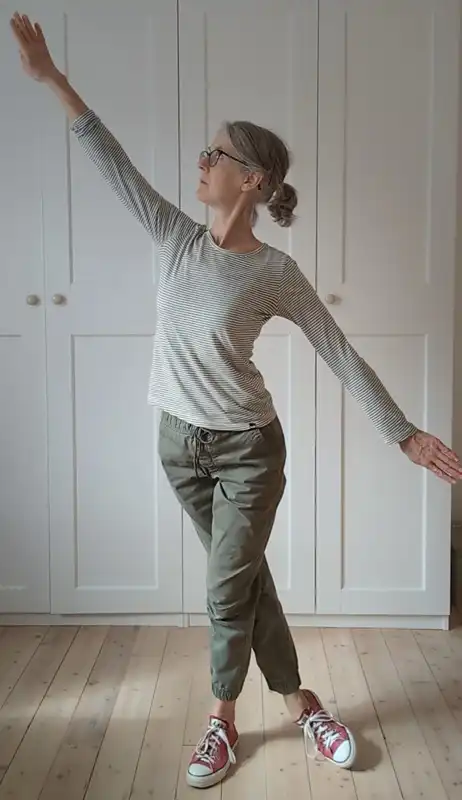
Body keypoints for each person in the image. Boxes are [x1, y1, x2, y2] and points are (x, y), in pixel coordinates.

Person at [10, 12, 462, 790]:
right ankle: (302, 703)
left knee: (225, 587)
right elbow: (109, 157)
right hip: (178, 446)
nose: (201, 160)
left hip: (249, 451)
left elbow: (339, 352)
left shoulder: (274, 272)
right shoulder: (174, 236)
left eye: (214, 153)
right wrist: (52, 78)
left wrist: (405, 434)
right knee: (246, 581)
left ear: (251, 179)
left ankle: (219, 720)